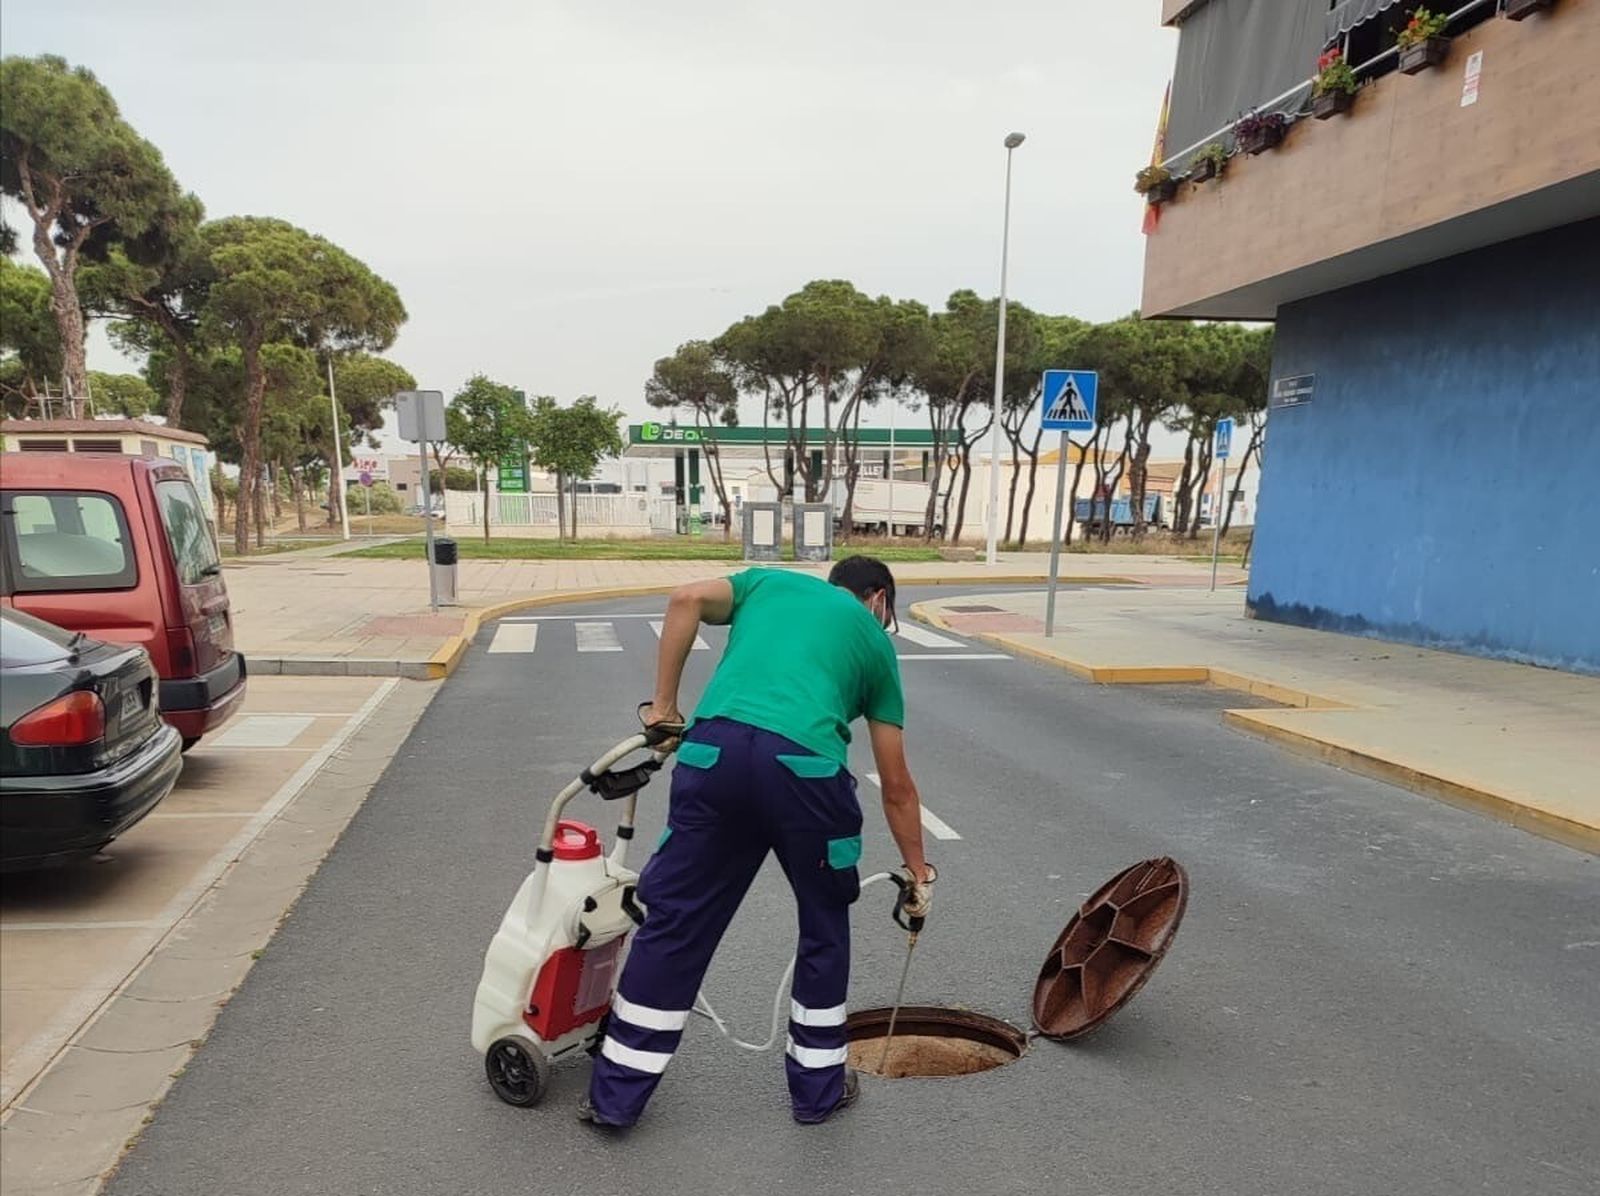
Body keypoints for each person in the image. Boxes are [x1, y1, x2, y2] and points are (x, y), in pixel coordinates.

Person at [582, 556, 935, 1128]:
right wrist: (918, 872)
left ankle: (614, 1100)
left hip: (713, 754)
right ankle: (816, 1095)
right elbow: (896, 786)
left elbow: (684, 599)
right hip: (806, 774)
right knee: (823, 926)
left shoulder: (767, 582)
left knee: (676, 921)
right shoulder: (874, 640)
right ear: (878, 599)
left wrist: (664, 709)